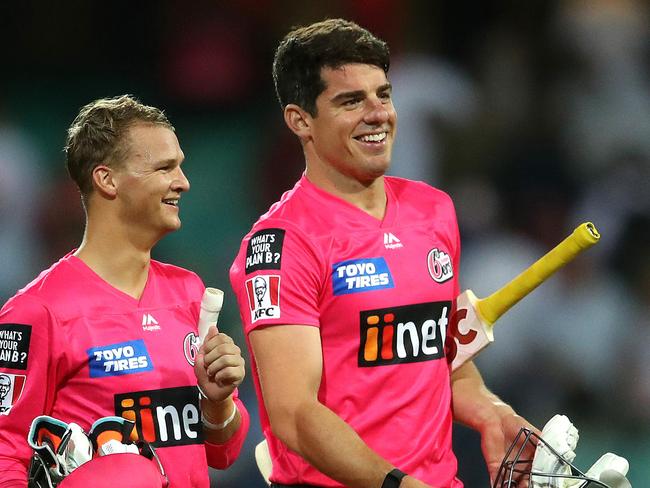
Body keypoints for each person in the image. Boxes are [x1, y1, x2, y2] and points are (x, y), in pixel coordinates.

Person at [229, 19, 535, 488]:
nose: (378, 114)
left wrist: (492, 412)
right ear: (300, 120)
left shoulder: (433, 209)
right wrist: (398, 484)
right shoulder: (282, 244)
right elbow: (293, 413)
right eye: (351, 101)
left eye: (383, 95)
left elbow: (444, 356)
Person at [0, 95, 249, 487]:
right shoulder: (37, 311)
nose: (182, 182)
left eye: (180, 167)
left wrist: (217, 403)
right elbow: (5, 453)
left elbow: (222, 451)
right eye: (165, 168)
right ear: (107, 179)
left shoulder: (189, 292)